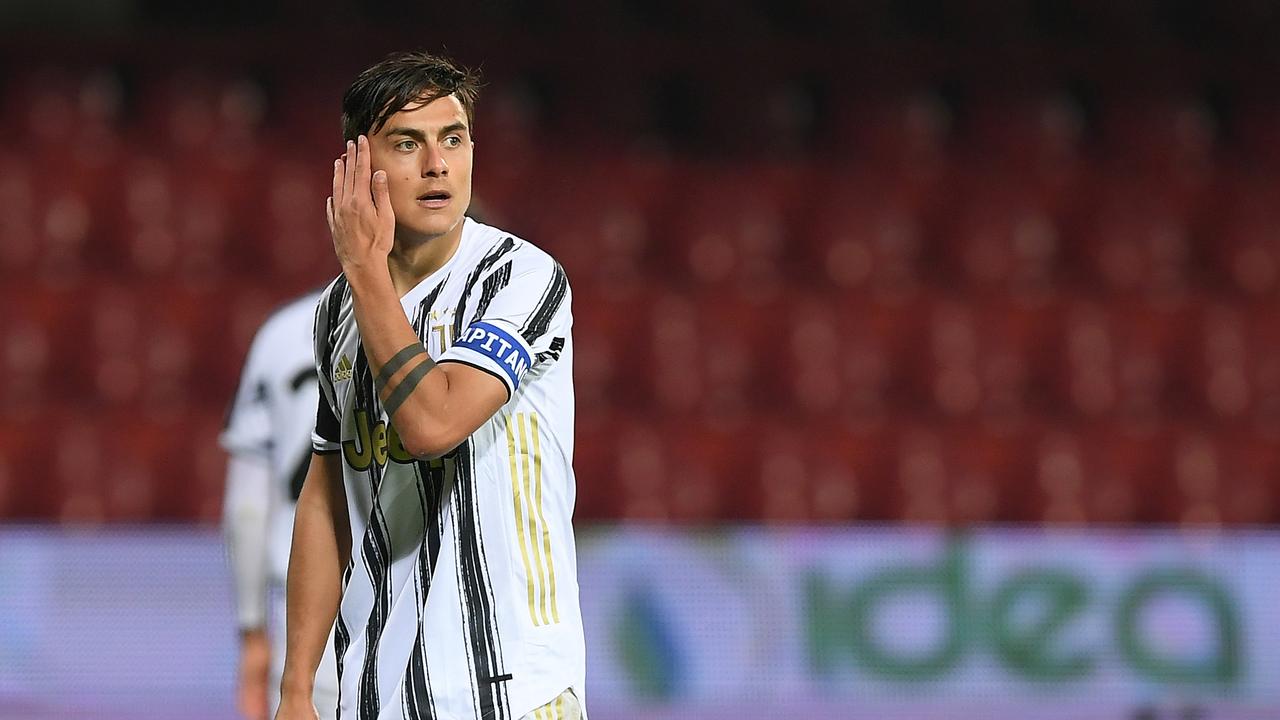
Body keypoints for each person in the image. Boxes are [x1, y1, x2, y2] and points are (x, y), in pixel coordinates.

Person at [277, 51, 585, 720]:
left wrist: (364, 273)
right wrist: (297, 687)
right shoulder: (335, 312)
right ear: (359, 165)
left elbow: (431, 424)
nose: (438, 164)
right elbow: (326, 496)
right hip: (374, 691)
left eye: (454, 138)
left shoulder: (518, 278)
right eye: (408, 144)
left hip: (511, 684)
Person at [221, 289, 341, 720]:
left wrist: (253, 633)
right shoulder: (460, 322)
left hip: (307, 637)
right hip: (425, 614)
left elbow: (248, 507)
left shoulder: (283, 331)